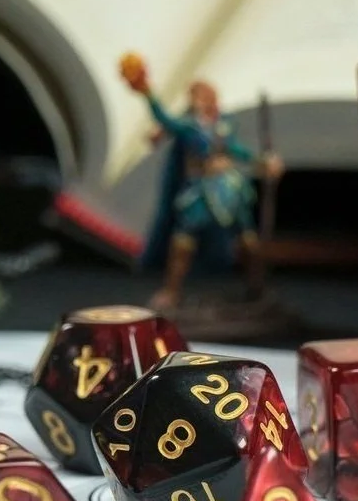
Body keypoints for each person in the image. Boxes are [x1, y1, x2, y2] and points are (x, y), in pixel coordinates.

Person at [120, 53, 283, 312]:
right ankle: (171, 291)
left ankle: (256, 285)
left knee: (247, 237)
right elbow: (164, 118)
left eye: (203, 95)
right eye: (195, 96)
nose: (199, 100)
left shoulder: (224, 126)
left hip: (229, 188)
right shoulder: (189, 127)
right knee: (184, 237)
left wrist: (261, 162)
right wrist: (147, 91)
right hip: (201, 190)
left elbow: (236, 150)